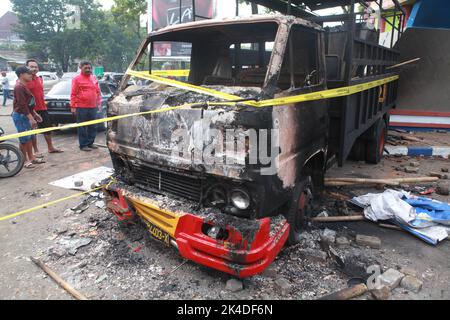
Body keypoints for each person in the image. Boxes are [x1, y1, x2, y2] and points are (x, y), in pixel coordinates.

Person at [26, 59, 63, 154]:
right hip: (31, 110)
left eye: (35, 67)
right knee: (32, 132)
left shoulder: (39, 79)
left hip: (42, 108)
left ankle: (50, 147)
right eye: (31, 66)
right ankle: (36, 151)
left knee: (47, 128)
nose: (34, 68)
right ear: (27, 67)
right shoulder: (25, 80)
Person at [11, 66, 46, 168]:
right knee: (24, 140)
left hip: (26, 114)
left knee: (30, 137)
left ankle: (32, 158)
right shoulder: (19, 87)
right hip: (21, 116)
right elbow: (22, 105)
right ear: (21, 75)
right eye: (28, 73)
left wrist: (34, 114)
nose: (31, 75)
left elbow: (28, 104)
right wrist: (31, 118)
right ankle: (25, 160)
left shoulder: (24, 85)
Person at [70, 61, 101, 152]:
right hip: (81, 107)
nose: (88, 70)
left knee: (93, 126)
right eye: (86, 68)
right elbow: (73, 94)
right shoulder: (77, 79)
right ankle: (83, 145)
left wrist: (98, 104)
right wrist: (73, 106)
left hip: (93, 107)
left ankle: (90, 143)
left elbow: (97, 92)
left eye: (89, 68)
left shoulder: (94, 78)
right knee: (82, 127)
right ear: (81, 68)